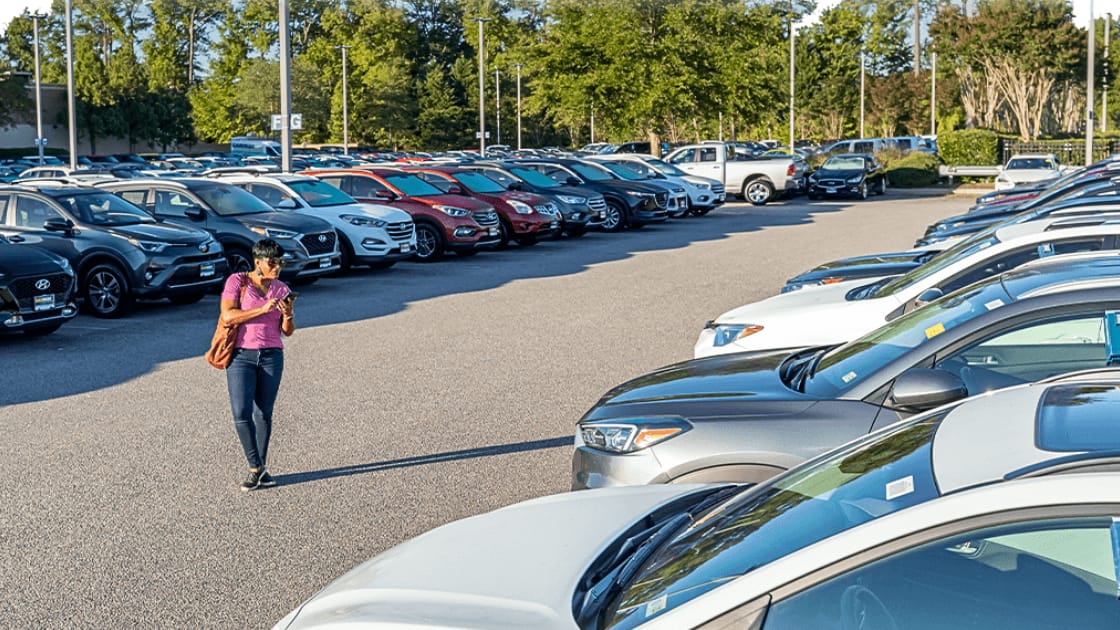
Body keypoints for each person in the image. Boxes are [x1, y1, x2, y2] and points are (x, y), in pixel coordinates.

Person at [220, 239, 296, 492]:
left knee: (263, 413)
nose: (277, 268)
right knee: (241, 412)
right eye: (272, 262)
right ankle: (255, 468)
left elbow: (288, 331)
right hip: (241, 355)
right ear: (258, 262)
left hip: (272, 355)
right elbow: (229, 315)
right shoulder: (238, 282)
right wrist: (263, 309)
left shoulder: (282, 288)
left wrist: (288, 314)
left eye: (280, 263)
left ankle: (258, 468)